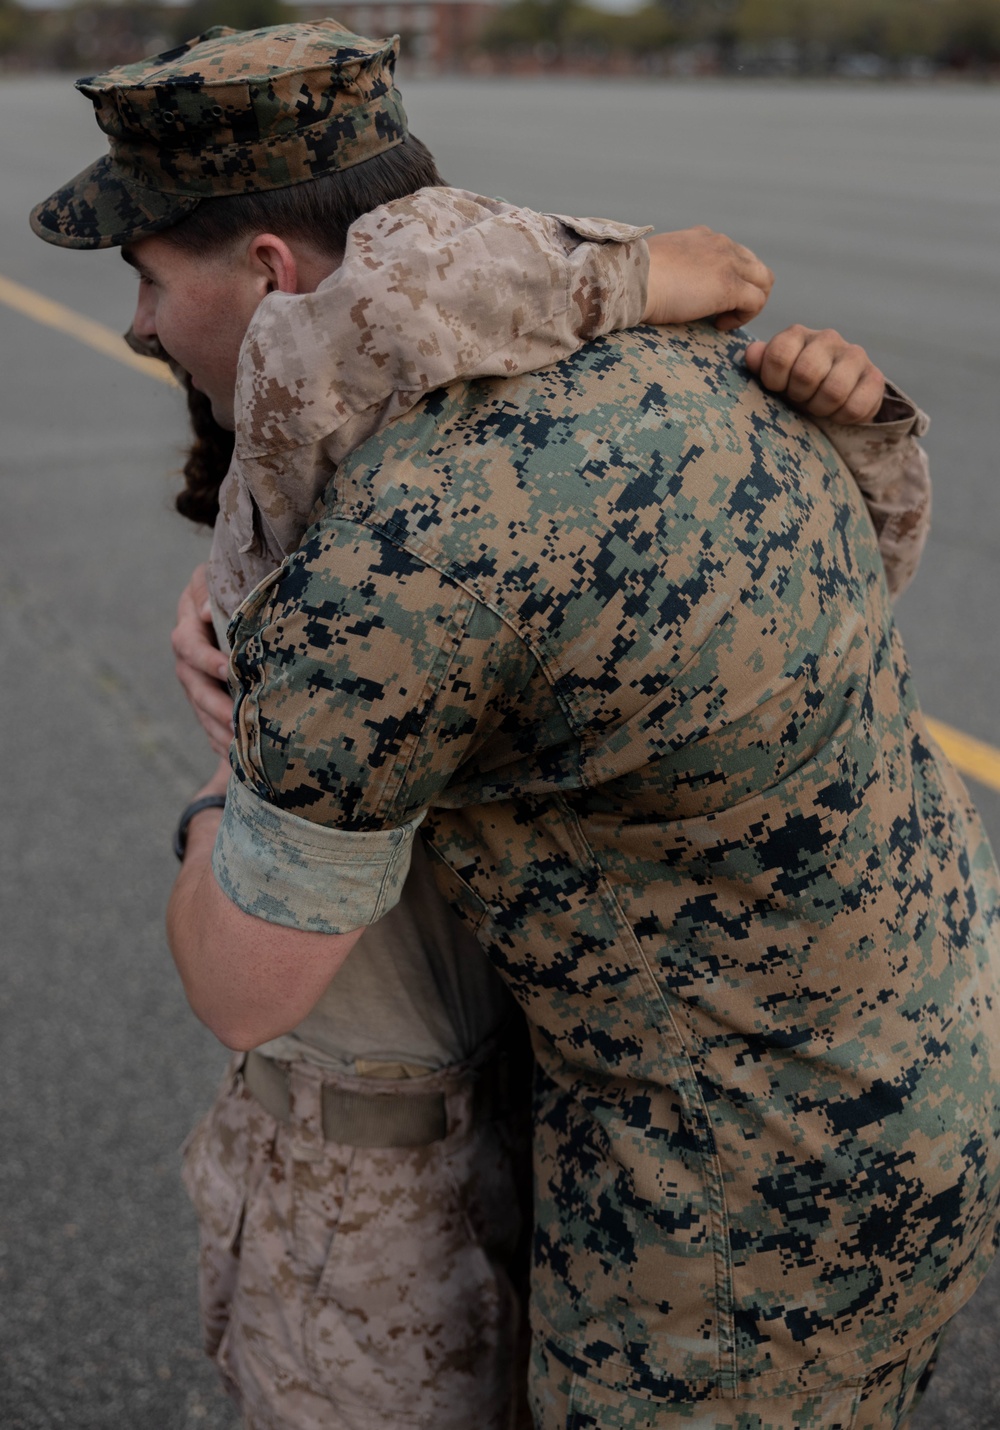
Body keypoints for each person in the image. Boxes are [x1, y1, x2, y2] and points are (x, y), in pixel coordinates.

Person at [32, 20, 999, 1430]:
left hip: (727, 1215)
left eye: (145, 275)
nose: (133, 323)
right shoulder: (670, 357)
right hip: (920, 1071)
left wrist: (228, 768)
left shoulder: (394, 563)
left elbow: (247, 982)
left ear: (268, 272)